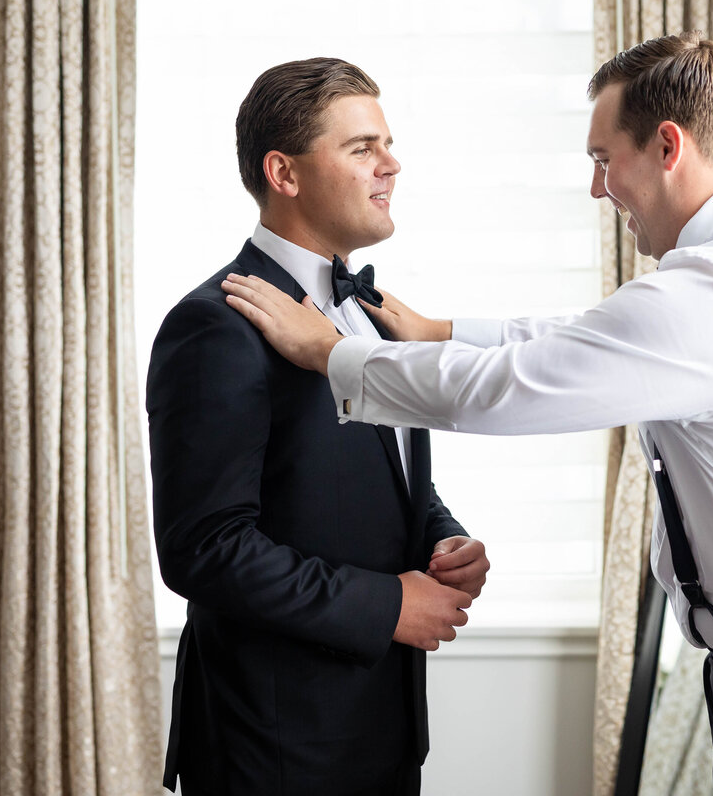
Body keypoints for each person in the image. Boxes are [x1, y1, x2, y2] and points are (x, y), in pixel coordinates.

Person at [221, 32, 713, 796]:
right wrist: (442, 331)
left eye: (603, 159)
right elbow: (592, 338)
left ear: (668, 146)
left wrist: (330, 354)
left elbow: (515, 387)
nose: (596, 188)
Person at [147, 57, 489, 796]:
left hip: (385, 732)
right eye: (362, 147)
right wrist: (389, 604)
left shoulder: (375, 315)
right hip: (273, 747)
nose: (391, 165)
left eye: (388, 144)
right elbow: (203, 548)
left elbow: (384, 477)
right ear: (285, 172)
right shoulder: (212, 328)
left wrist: (442, 538)